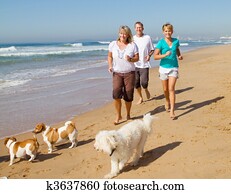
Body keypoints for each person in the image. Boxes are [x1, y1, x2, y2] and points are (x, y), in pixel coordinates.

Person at [108, 25, 139, 125]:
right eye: (121, 33)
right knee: (116, 95)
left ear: (128, 34)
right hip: (117, 73)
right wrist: (110, 65)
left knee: (128, 95)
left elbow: (137, 58)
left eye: (125, 33)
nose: (123, 35)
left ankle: (128, 114)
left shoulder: (132, 45)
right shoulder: (113, 44)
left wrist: (130, 59)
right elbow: (109, 56)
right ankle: (118, 116)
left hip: (129, 73)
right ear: (119, 34)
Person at [154, 23, 183, 119]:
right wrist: (164, 55)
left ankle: (172, 111)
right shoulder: (161, 43)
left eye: (169, 31)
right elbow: (155, 56)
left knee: (171, 89)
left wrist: (179, 55)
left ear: (172, 31)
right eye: (166, 31)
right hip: (163, 68)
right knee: (165, 89)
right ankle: (167, 100)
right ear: (163, 32)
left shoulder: (176, 41)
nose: (168, 32)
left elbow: (177, 49)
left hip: (173, 67)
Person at [133, 22, 155, 104]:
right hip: (134, 64)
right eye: (137, 27)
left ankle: (145, 89)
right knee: (136, 83)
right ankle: (140, 97)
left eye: (140, 27)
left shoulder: (147, 37)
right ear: (135, 29)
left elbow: (152, 49)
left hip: (144, 64)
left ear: (143, 28)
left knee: (144, 82)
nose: (139, 29)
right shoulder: (132, 39)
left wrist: (149, 55)